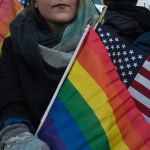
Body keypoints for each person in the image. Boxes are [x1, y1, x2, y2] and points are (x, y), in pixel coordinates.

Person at [0, 0, 97, 149]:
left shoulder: (102, 41)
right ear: (35, 3)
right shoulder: (14, 46)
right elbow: (11, 104)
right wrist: (18, 137)